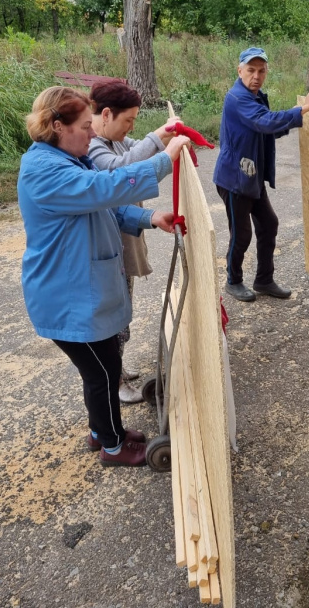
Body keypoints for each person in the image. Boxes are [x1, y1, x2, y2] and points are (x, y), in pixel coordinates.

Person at [18, 86, 190, 467]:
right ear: (57, 126)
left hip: (77, 292)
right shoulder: (45, 171)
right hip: (65, 296)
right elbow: (103, 189)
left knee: (101, 367)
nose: (93, 132)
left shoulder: (70, 158)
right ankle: (113, 446)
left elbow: (107, 209)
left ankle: (103, 431)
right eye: (84, 126)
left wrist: (149, 218)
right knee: (102, 372)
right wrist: (165, 159)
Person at [88, 79, 179, 403]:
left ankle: (119, 370)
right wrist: (162, 141)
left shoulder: (115, 141)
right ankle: (114, 379)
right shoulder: (95, 148)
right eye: (128, 120)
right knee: (113, 320)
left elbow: (138, 152)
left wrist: (163, 135)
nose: (131, 128)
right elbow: (122, 170)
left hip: (120, 244)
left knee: (122, 314)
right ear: (108, 114)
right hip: (107, 253)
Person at [213, 47, 309, 302]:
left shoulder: (256, 97)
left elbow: (266, 129)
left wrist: (292, 118)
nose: (256, 76)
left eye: (261, 71)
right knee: (242, 234)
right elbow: (265, 122)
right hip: (234, 180)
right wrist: (301, 111)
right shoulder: (237, 98)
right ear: (239, 71)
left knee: (268, 224)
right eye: (251, 70)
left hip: (251, 176)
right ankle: (233, 281)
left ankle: (263, 280)